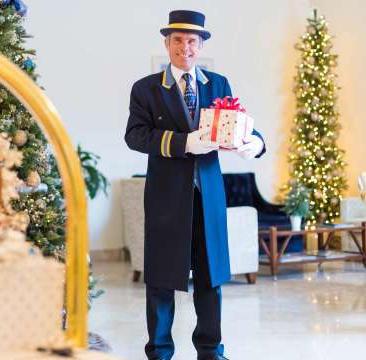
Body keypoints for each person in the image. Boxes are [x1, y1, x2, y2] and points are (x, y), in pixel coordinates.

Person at [124, 10, 266, 360]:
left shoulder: (218, 84)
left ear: (200, 46)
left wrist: (256, 143)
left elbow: (238, 124)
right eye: (177, 40)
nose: (184, 47)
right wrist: (183, 143)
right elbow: (135, 136)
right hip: (165, 197)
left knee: (210, 277)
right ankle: (158, 352)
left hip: (208, 196)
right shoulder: (145, 89)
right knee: (159, 279)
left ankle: (211, 350)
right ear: (167, 43)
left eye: (191, 41)